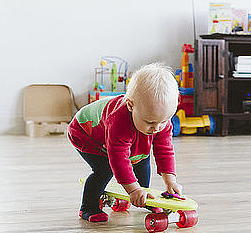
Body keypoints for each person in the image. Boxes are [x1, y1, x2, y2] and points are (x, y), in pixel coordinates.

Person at [68, 62, 182, 222]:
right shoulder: (118, 122)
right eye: (150, 122)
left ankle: (145, 196)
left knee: (142, 159)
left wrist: (171, 181)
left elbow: (165, 150)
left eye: (164, 121)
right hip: (87, 132)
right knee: (105, 169)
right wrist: (132, 189)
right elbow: (119, 160)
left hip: (117, 131)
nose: (157, 128)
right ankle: (88, 207)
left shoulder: (160, 120)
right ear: (130, 105)